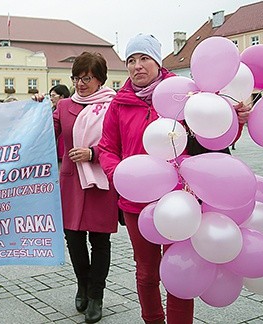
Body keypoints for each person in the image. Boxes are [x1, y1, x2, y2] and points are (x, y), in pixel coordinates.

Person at [98, 34, 250, 324]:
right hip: (135, 201)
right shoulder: (119, 104)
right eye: (131, 60)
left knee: (181, 269)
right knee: (146, 271)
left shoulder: (183, 94)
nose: (137, 66)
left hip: (179, 200)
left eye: (144, 58)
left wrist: (236, 121)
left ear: (157, 61)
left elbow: (211, 137)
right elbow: (107, 147)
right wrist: (118, 175)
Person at [35, 53, 117, 323]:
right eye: (76, 78)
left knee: (99, 240)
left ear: (99, 79)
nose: (81, 83)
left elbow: (118, 143)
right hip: (71, 181)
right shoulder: (65, 106)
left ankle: (96, 295)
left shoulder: (112, 106)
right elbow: (45, 131)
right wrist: (37, 110)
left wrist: (93, 153)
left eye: (87, 78)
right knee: (73, 238)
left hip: (100, 180)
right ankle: (83, 283)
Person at [49, 84, 71, 163]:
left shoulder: (70, 110)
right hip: (54, 154)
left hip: (66, 154)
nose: (51, 99)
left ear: (62, 96)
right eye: (50, 96)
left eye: (53, 96)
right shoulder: (51, 110)